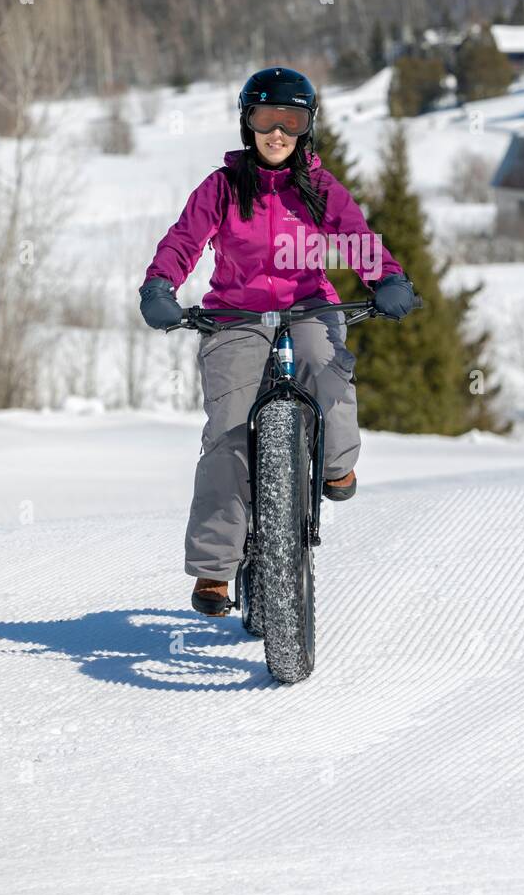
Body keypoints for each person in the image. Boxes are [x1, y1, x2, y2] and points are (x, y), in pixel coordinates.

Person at [139, 66, 415, 616]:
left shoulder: (318, 188)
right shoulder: (221, 187)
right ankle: (216, 570)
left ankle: (337, 464)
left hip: (308, 306)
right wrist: (160, 285)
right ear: (249, 123)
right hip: (235, 316)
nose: (278, 133)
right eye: (267, 119)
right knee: (228, 433)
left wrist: (387, 279)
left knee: (325, 361)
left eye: (291, 120)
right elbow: (184, 241)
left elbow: (357, 239)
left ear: (306, 127)